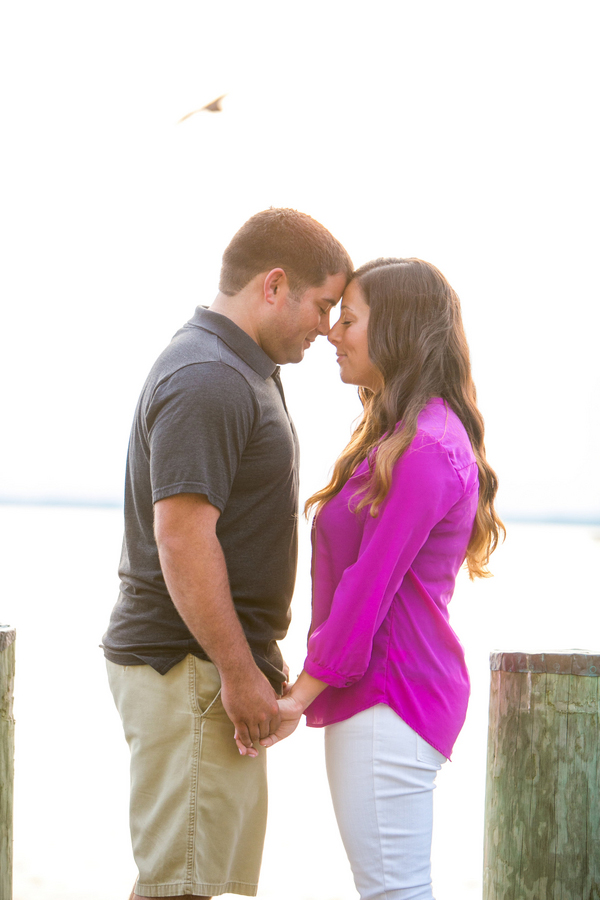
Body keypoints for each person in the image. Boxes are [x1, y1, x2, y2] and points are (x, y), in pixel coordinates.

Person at [102, 208, 353, 900]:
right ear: (275, 285)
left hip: (206, 671)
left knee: (193, 882)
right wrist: (239, 676)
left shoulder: (241, 367)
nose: (328, 327)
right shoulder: (209, 376)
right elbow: (182, 538)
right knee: (178, 886)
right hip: (189, 668)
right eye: (324, 304)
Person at [243, 257, 505, 900]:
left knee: (394, 892)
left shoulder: (426, 448)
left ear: (398, 332)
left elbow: (368, 585)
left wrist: (296, 698)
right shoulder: (402, 437)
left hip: (392, 696)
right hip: (384, 695)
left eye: (350, 320)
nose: (333, 332)